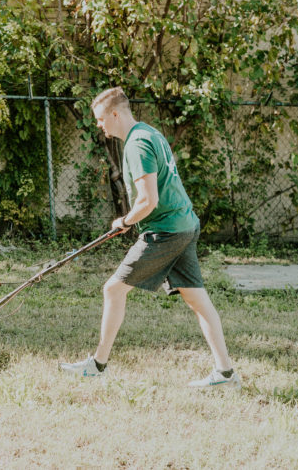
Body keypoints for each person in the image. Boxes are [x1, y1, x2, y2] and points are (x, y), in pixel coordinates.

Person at [59, 87, 240, 388]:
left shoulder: (136, 145)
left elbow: (148, 200)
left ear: (115, 114)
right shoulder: (150, 133)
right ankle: (225, 374)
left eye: (101, 119)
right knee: (197, 299)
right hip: (184, 224)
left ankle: (97, 366)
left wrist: (125, 221)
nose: (100, 125)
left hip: (166, 231)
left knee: (113, 290)